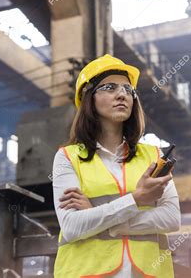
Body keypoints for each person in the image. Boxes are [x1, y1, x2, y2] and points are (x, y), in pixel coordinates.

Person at [52, 54, 181, 277]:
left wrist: (103, 220)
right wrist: (136, 199)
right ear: (88, 98)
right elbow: (72, 227)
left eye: (128, 90)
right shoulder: (67, 157)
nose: (122, 94)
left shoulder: (154, 155)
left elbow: (171, 218)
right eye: (110, 87)